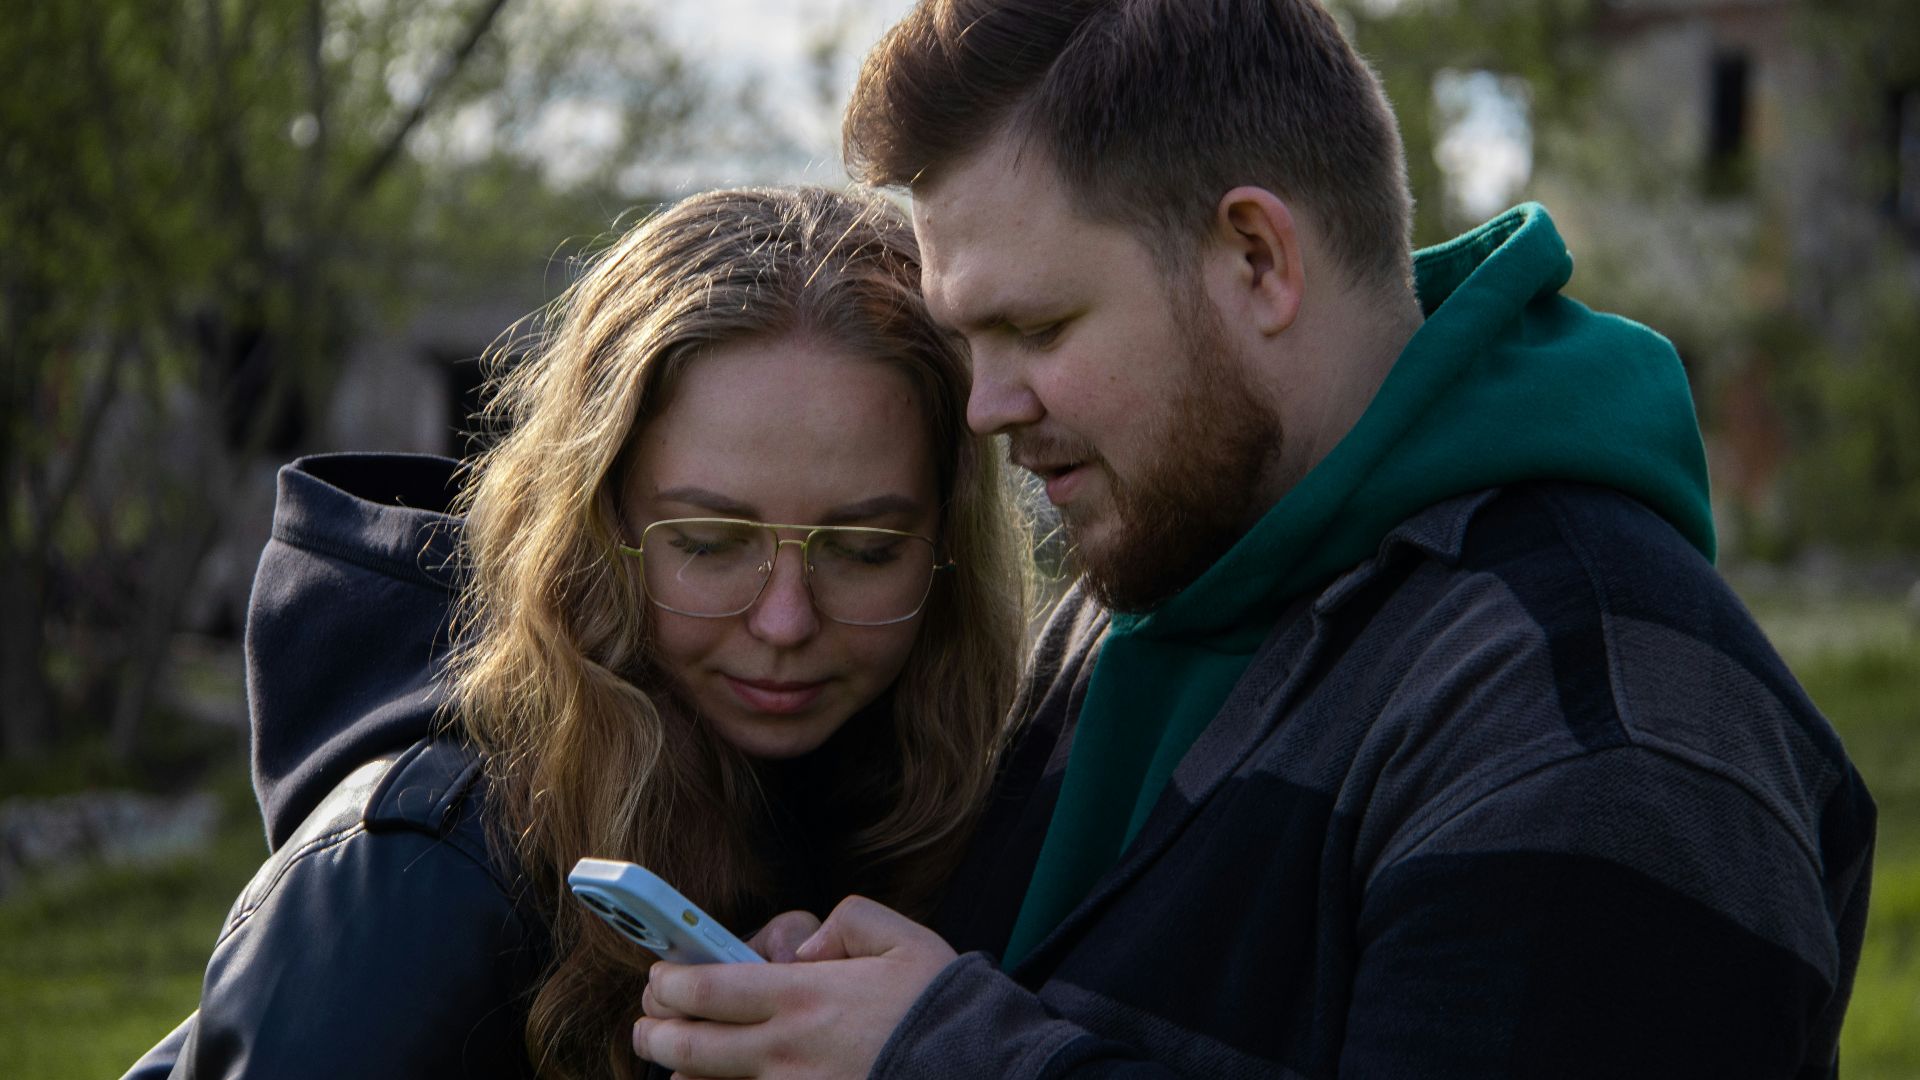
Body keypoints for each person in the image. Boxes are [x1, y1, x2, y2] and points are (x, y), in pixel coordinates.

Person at [630, 2, 1877, 1077]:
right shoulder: (1160, 572)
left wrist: (935, 1054)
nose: (985, 410)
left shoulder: (1604, 722)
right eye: (970, 343)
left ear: (1257, 257)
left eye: (1041, 329)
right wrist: (845, 1001)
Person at [122, 185, 1029, 1079]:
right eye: (709, 545)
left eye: (864, 551)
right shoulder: (421, 870)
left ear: (949, 547)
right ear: (595, 533)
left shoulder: (939, 793)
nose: (787, 621)